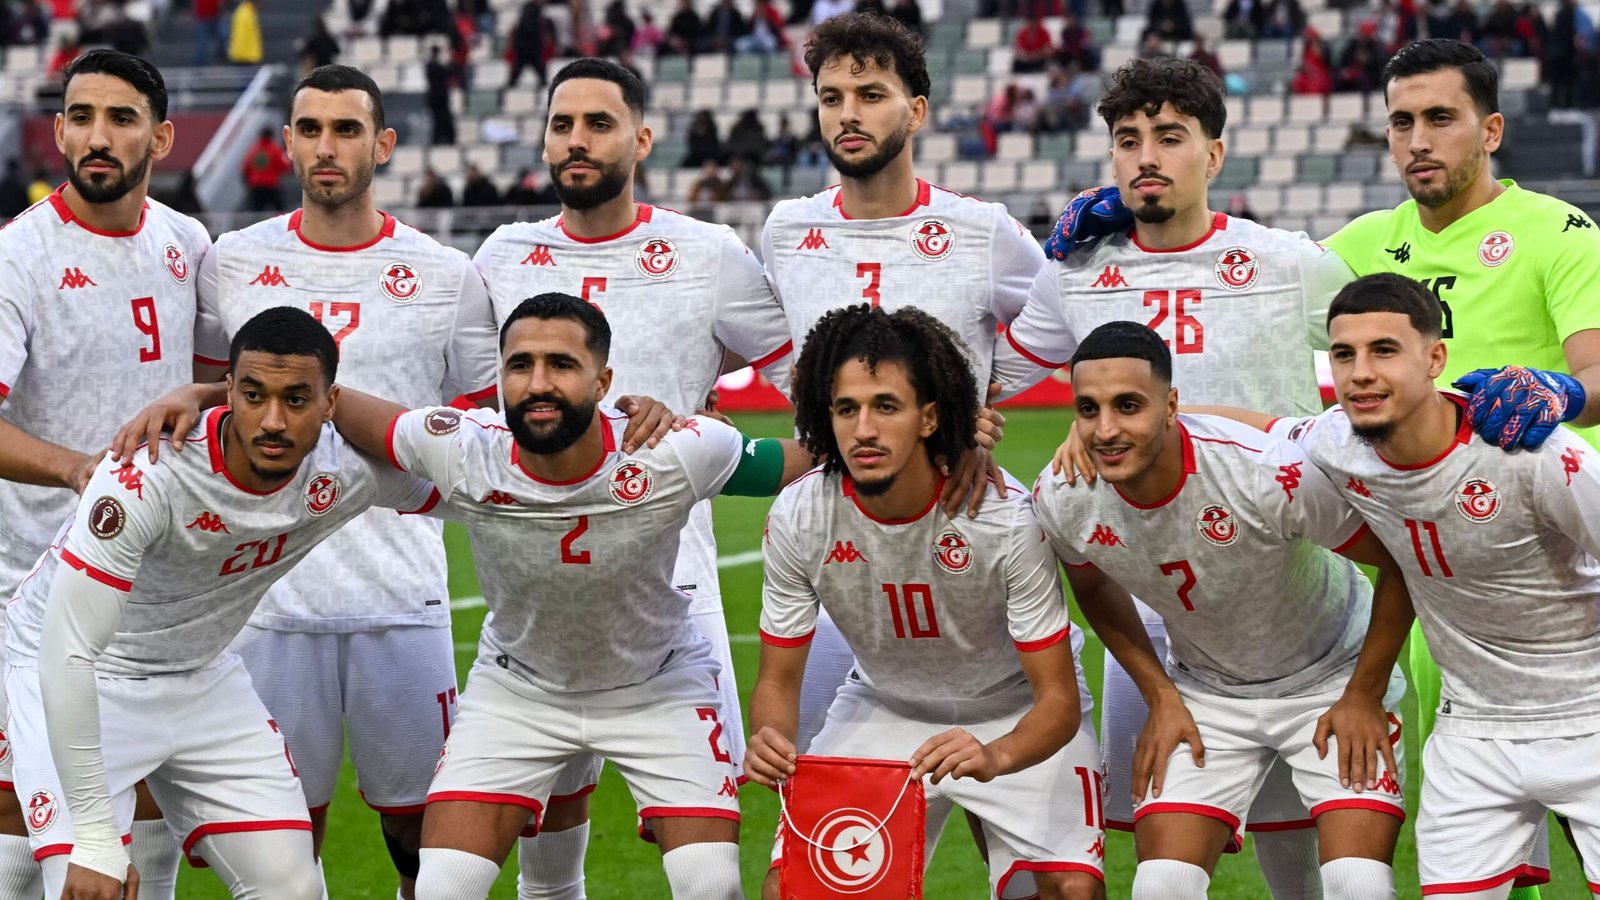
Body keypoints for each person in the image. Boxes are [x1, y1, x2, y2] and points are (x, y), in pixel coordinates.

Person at [118, 64, 500, 900]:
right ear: (286, 142)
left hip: (402, 595)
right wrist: (194, 391)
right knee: (289, 833)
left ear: (383, 144)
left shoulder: (444, 272)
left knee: (422, 834)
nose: (329, 147)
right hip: (265, 600)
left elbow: (473, 427)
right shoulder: (234, 262)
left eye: (349, 129)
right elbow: (225, 403)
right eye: (312, 129)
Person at [1001, 56, 1360, 899]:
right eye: (1128, 141)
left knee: (1295, 848)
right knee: (1161, 839)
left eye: (1170, 137)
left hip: (1287, 593)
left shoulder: (1283, 260)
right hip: (1151, 597)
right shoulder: (1077, 273)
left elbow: (1392, 350)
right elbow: (992, 382)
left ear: (1216, 153)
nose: (1146, 157)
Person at [322, 293, 814, 900]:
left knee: (711, 889)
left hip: (656, 687)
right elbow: (331, 401)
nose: (537, 383)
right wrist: (211, 393)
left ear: (603, 379)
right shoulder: (462, 446)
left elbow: (804, 458)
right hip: (519, 690)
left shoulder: (673, 451)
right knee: (442, 889)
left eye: (561, 364)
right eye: (520, 365)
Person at [471, 57, 797, 899]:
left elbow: (812, 376)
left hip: (669, 598)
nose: (577, 141)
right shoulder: (505, 254)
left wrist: (711, 439)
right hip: (534, 593)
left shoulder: (705, 254)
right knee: (546, 845)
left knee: (703, 860)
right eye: (561, 124)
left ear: (641, 139)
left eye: (599, 123)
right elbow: (472, 406)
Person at [7, 308, 445, 900]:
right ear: (230, 394)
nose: (272, 421)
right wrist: (93, 836)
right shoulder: (146, 474)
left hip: (200, 676)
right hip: (76, 677)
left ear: (332, 402)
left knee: (291, 885)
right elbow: (67, 654)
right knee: (89, 883)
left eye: (297, 400)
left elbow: (478, 475)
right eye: (253, 395)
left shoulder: (344, 469)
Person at [1319, 41, 1600, 897]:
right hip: (1443, 579)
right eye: (1401, 122)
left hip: (1562, 569)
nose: (1417, 140)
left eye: (1440, 118)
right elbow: (1246, 295)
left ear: (1492, 130)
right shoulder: (1362, 245)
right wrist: (1140, 232)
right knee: (1486, 837)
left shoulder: (1560, 232)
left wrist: (1559, 390)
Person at [1036, 321, 1412, 900]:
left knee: (1357, 883)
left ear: (1171, 406)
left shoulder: (1265, 471)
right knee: (1161, 886)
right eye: (1089, 409)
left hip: (1332, 678)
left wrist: (1362, 694)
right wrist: (1161, 696)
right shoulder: (1063, 496)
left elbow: (1401, 560)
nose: (1106, 430)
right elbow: (1091, 584)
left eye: (1128, 406)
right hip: (1207, 692)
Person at [1254, 274, 1600, 898]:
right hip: (1471, 733)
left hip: (1589, 717)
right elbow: (1255, 429)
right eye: (1344, 354)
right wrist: (1127, 422)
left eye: (1384, 350)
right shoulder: (1339, 441)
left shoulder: (1536, 453)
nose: (1359, 372)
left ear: (1435, 358)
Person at [761, 11, 1044, 756]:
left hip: (958, 525)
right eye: (830, 97)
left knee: (1009, 829)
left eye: (870, 93)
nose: (848, 113)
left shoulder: (983, 232)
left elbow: (1066, 328)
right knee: (830, 803)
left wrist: (973, 402)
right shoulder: (787, 231)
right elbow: (772, 349)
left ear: (916, 109)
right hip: (838, 540)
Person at [750, 305, 1105, 900]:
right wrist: (769, 737)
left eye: (885, 406)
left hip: (1015, 710)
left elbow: (1059, 702)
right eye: (846, 409)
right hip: (885, 706)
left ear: (929, 417)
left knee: (1068, 892)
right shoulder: (799, 513)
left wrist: (994, 756)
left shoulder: (1004, 519)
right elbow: (778, 682)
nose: (864, 429)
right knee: (793, 889)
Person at [0, 49, 209, 900]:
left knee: (149, 803)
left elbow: (223, 391)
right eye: (80, 117)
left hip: (155, 586)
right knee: (25, 812)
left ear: (160, 137)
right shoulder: (18, 256)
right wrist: (81, 468)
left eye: (121, 118)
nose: (97, 135)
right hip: (30, 586)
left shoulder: (188, 244)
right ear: (57, 133)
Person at [241, 126, 291, 212]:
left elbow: (245, 168)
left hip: (256, 187)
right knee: (280, 212)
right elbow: (285, 167)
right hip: (271, 186)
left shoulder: (253, 150)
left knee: (255, 215)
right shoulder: (275, 149)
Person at [425, 44, 458, 146]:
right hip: (438, 98)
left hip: (439, 97)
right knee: (439, 120)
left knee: (442, 120)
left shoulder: (432, 65)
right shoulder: (433, 66)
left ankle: (443, 139)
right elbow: (448, 71)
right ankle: (440, 139)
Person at [228, 0, 263, 65]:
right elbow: (240, 36)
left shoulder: (248, 11)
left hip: (246, 56)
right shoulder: (244, 13)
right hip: (244, 57)